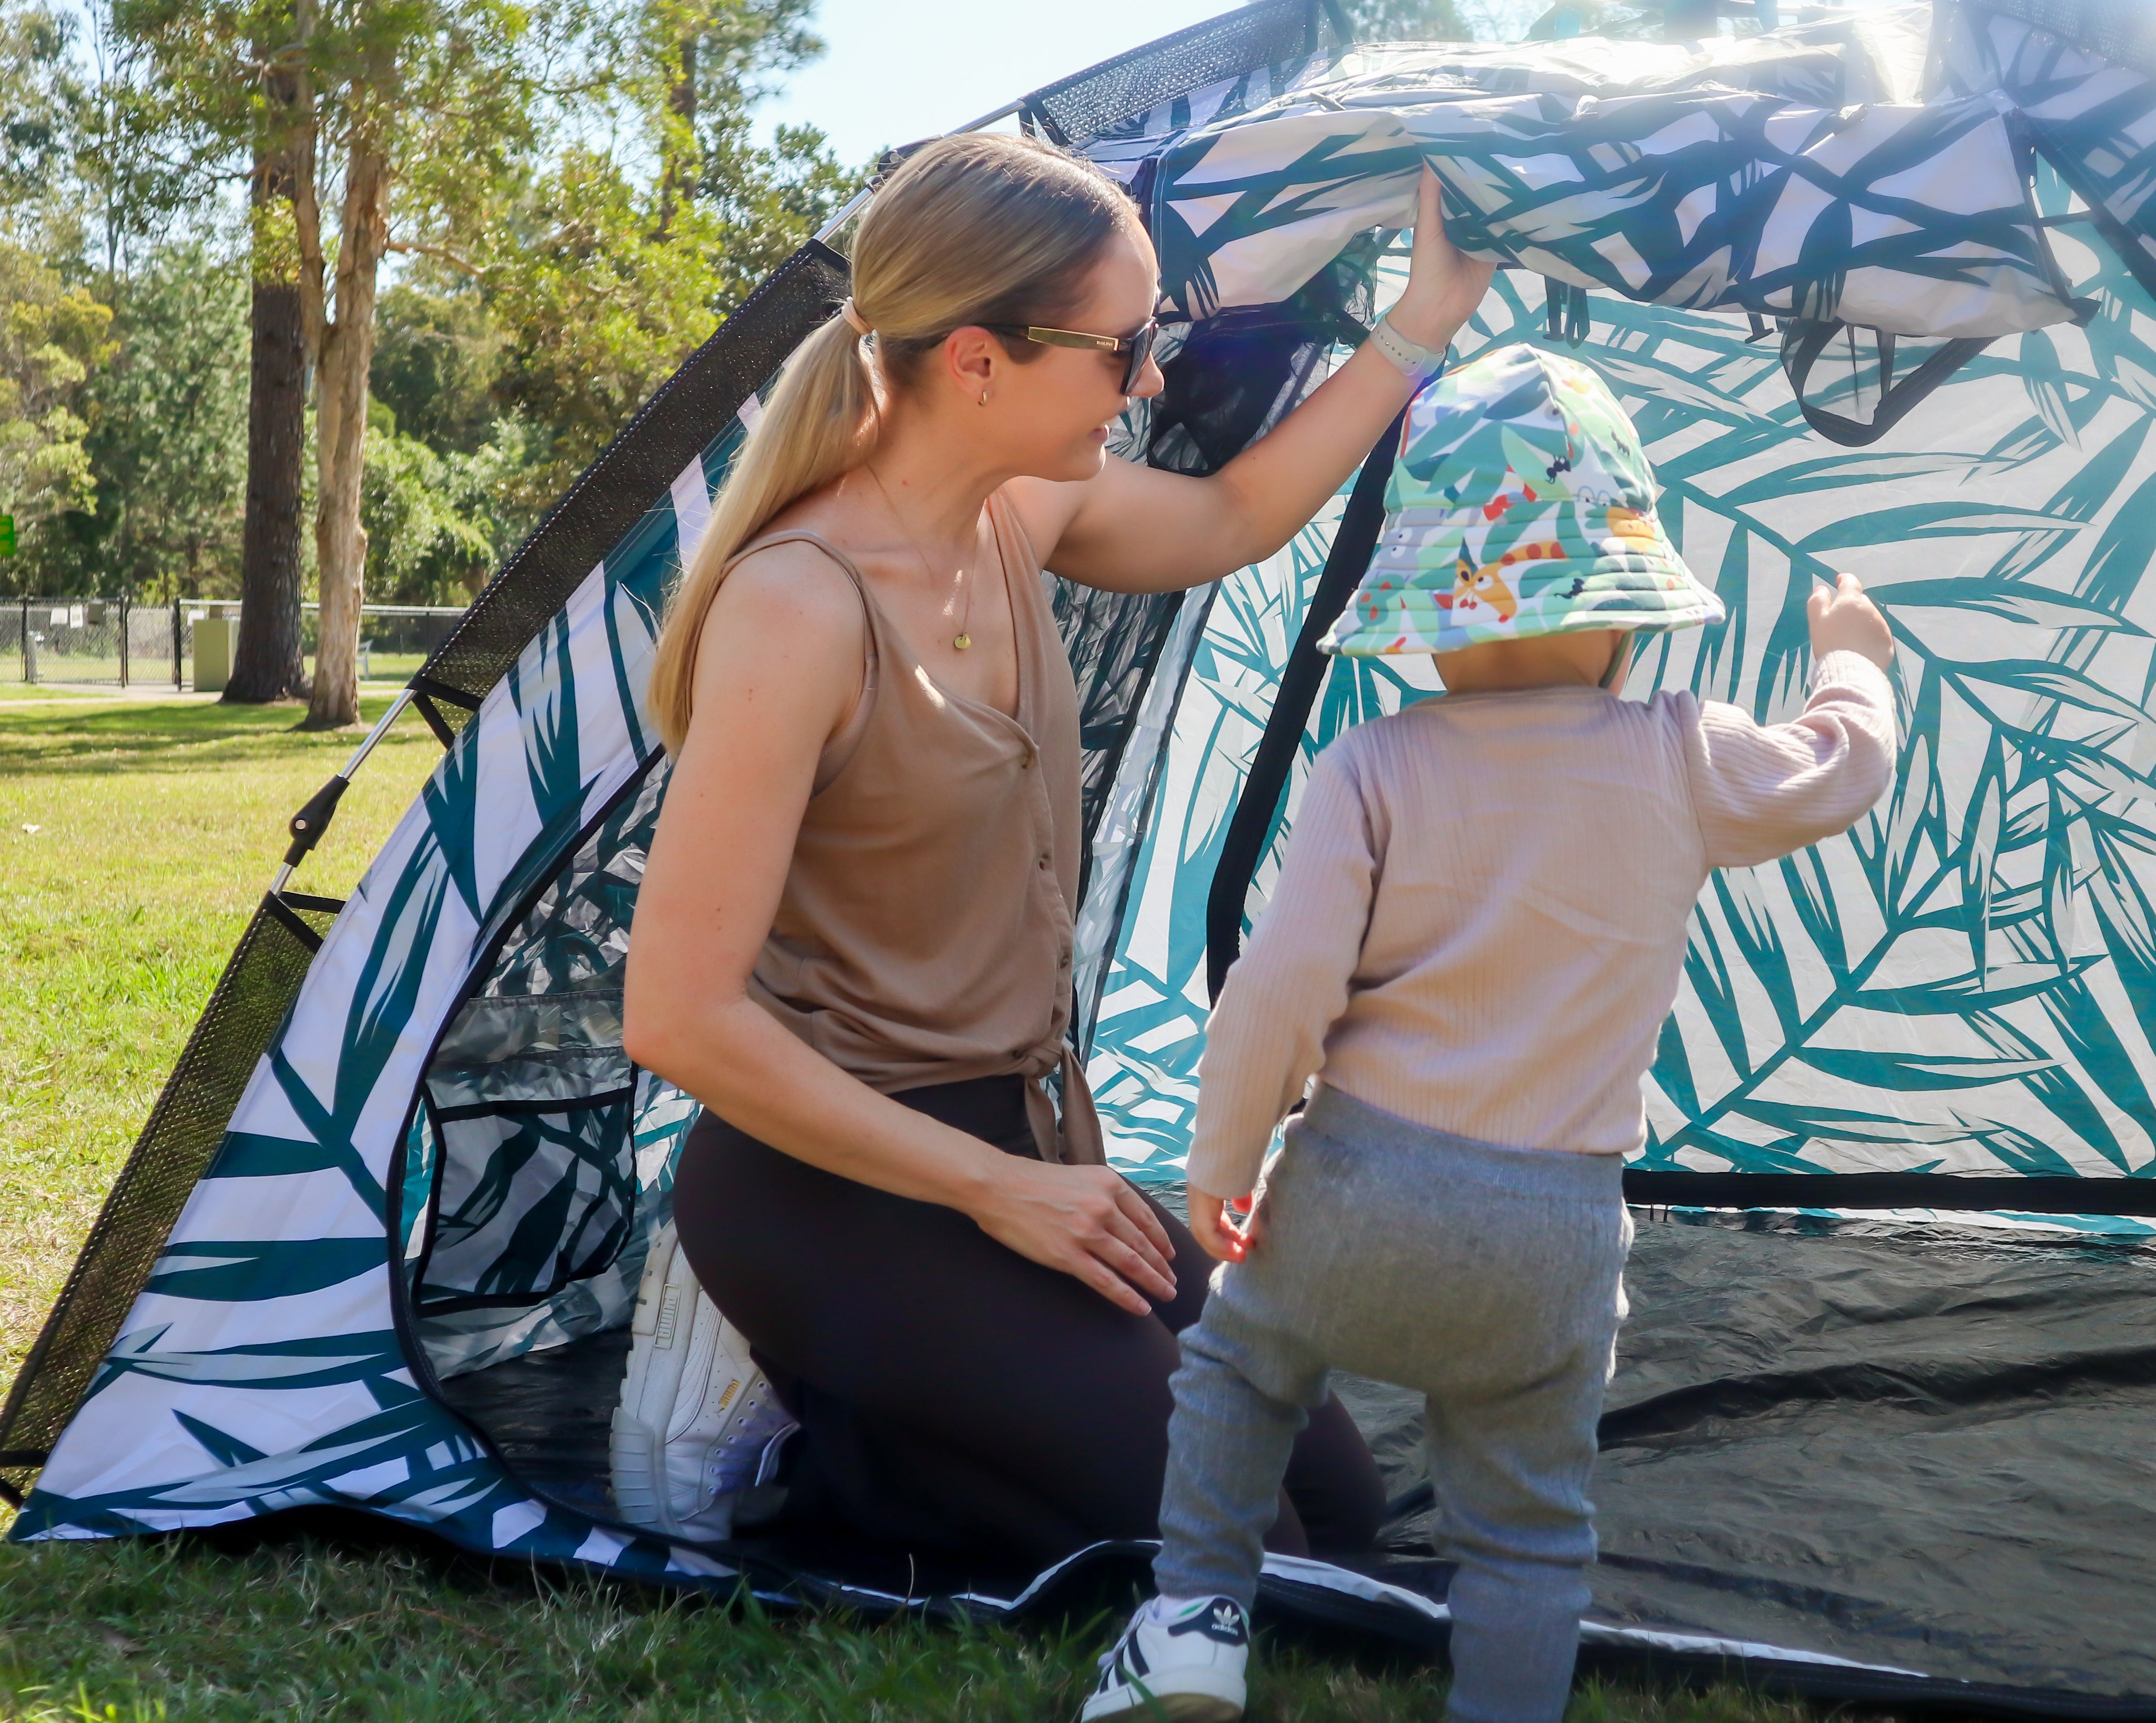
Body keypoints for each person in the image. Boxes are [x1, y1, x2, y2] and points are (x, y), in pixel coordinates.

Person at [619, 135, 1496, 1569]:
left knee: (1338, 1516)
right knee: (1247, 1549)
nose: (1149, 380)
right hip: (833, 1184)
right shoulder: (800, 606)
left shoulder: (1007, 521)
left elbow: (1229, 515)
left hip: (1026, 1146)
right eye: (1120, 348)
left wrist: (1418, 327)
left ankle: (884, 1424)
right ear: (974, 360)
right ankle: (824, 1417)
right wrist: (990, 1189)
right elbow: (675, 1014)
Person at [1082, 343, 1899, 1722]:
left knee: (1235, 1369)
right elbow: (1840, 773)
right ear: (1624, 616)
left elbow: (1278, 989)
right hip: (1550, 1230)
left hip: (1346, 1188)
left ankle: (1198, 1619)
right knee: (1524, 1525)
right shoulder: (1679, 751)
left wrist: (1220, 1162)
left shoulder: (1376, 764)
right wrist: (1850, 662)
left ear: (1426, 620)